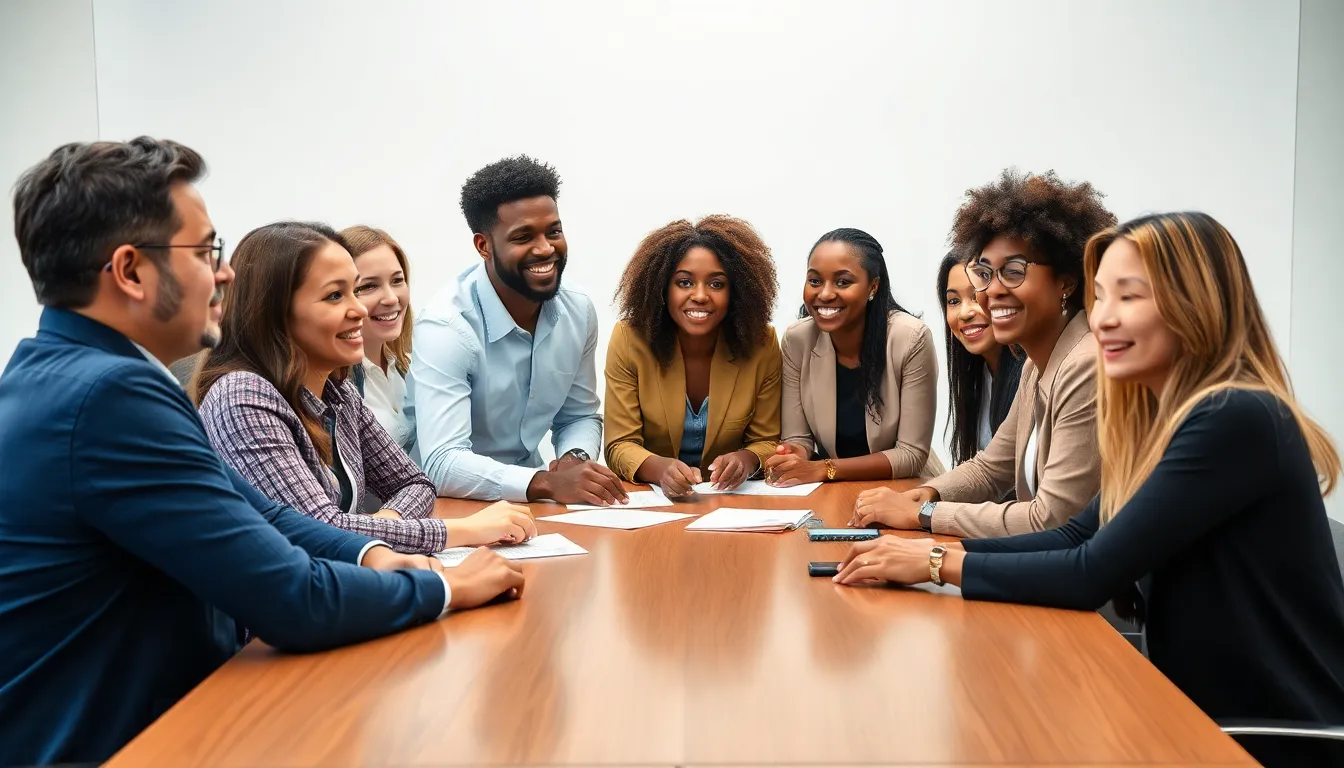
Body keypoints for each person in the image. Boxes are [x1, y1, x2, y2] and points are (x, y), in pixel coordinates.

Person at [0, 138, 524, 767]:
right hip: (127, 744)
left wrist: (383, 555)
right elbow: (291, 600)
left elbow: (270, 518)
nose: (224, 274)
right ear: (131, 271)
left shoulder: (70, 373)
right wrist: (446, 589)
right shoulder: (111, 394)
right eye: (204, 252)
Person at [833, 212, 1344, 767]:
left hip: (1269, 736)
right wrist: (924, 553)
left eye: (1130, 296)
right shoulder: (1164, 419)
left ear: (1198, 303)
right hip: (1189, 711)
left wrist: (934, 560)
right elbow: (1080, 531)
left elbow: (1090, 571)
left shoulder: (1233, 415)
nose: (1103, 319)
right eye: (1101, 298)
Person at [194, 222, 536, 554]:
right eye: (334, 296)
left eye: (354, 290)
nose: (358, 309)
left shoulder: (337, 393)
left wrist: (385, 526)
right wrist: (467, 530)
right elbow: (320, 530)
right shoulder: (242, 395)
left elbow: (415, 483)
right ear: (274, 313)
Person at [852, 169, 1116, 537]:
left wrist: (924, 515)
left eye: (1013, 271)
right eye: (984, 273)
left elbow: (1051, 520)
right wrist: (923, 494)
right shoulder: (1037, 366)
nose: (990, 291)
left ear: (1067, 281)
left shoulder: (1084, 364)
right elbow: (991, 469)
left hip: (1080, 589)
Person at [408, 155, 628, 506]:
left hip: (534, 502)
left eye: (553, 231)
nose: (545, 248)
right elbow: (441, 462)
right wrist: (546, 483)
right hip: (452, 506)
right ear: (484, 246)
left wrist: (573, 460)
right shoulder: (446, 327)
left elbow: (579, 415)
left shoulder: (578, 309)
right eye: (523, 236)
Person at [603, 216, 782, 497]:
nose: (700, 296)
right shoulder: (629, 340)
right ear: (662, 287)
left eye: (717, 284)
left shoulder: (762, 344)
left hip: (730, 502)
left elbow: (767, 440)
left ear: (737, 292)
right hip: (651, 503)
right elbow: (619, 444)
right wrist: (660, 469)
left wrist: (745, 461)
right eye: (684, 283)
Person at [766, 228, 942, 487]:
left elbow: (911, 454)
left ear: (873, 286)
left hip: (907, 487)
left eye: (843, 282)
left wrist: (826, 469)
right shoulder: (798, 339)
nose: (824, 294)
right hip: (833, 490)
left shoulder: (910, 338)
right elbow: (799, 438)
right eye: (815, 281)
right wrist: (793, 455)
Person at [937, 249, 1024, 465]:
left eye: (976, 296)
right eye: (954, 301)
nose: (965, 313)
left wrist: (930, 501)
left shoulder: (1030, 373)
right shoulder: (976, 374)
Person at [343, 224, 416, 452]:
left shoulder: (409, 365)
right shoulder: (336, 386)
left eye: (397, 280)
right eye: (369, 286)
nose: (391, 298)